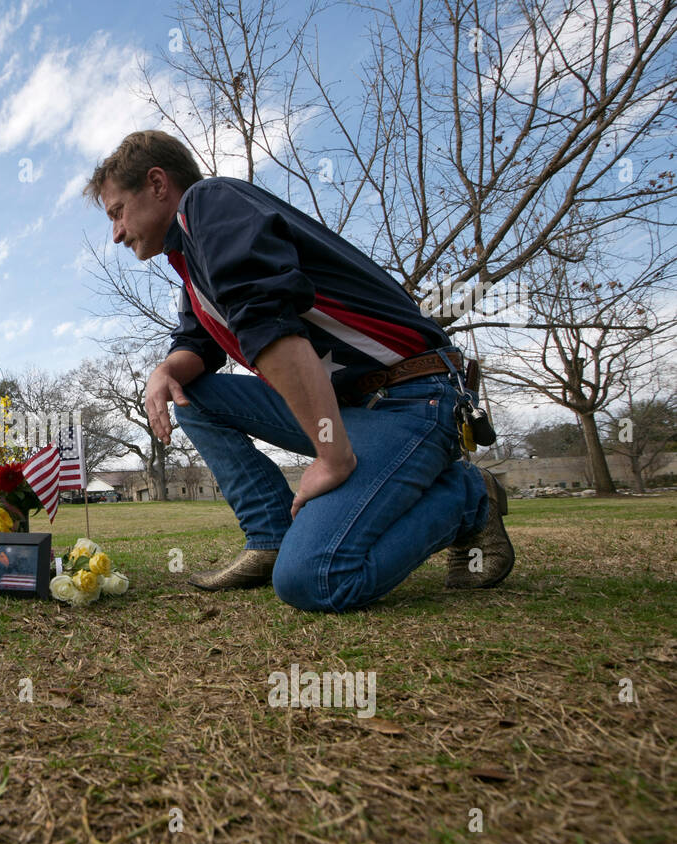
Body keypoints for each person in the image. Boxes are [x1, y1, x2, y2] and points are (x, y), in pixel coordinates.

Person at [84, 130, 514, 612]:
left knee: (316, 577)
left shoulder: (210, 202)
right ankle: (269, 535)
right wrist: (165, 371)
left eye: (117, 211)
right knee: (192, 392)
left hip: (411, 395)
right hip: (348, 407)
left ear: (158, 183)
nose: (117, 233)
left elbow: (264, 316)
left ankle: (469, 496)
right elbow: (198, 344)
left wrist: (331, 459)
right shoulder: (189, 260)